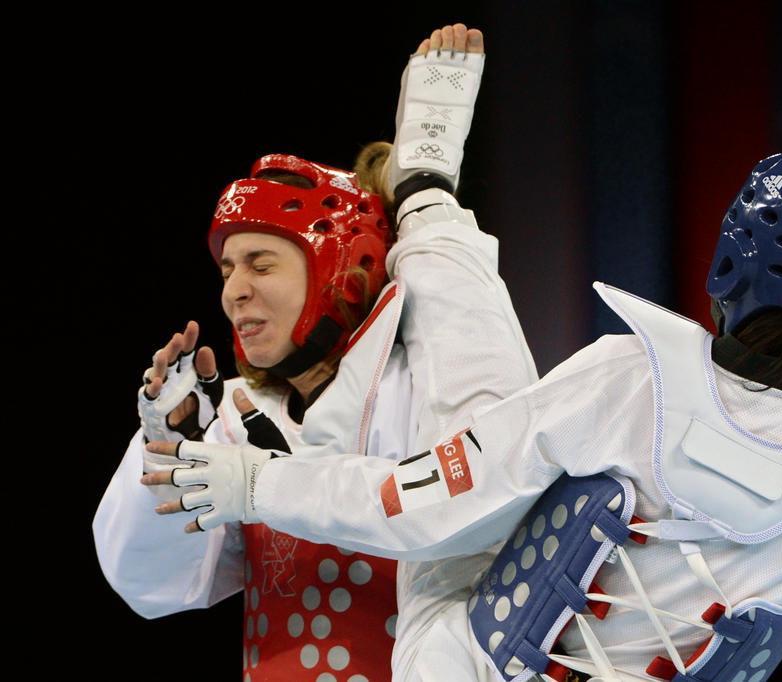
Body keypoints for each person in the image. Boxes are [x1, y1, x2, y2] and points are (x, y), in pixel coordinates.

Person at [144, 140, 782, 681]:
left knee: (451, 532)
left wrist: (252, 482)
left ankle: (428, 201)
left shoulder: (630, 380)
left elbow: (413, 507)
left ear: (728, 272)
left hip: (453, 667)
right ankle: (430, 203)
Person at [93, 24, 538, 681]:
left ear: (343, 272)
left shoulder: (418, 385)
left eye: (261, 265)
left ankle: (427, 191)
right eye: (227, 271)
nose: (234, 294)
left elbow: (496, 471)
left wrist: (423, 193)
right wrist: (172, 446)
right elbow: (148, 585)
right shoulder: (239, 417)